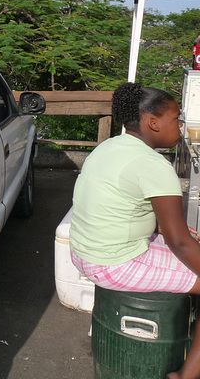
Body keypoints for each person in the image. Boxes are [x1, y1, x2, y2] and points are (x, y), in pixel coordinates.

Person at [69, 82, 200, 379]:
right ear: (153, 122)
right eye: (176, 118)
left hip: (86, 251)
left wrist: (179, 236)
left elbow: (122, 205)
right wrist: (181, 239)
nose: (180, 126)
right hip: (112, 263)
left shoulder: (112, 146)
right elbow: (178, 242)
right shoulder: (152, 164)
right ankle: (185, 376)